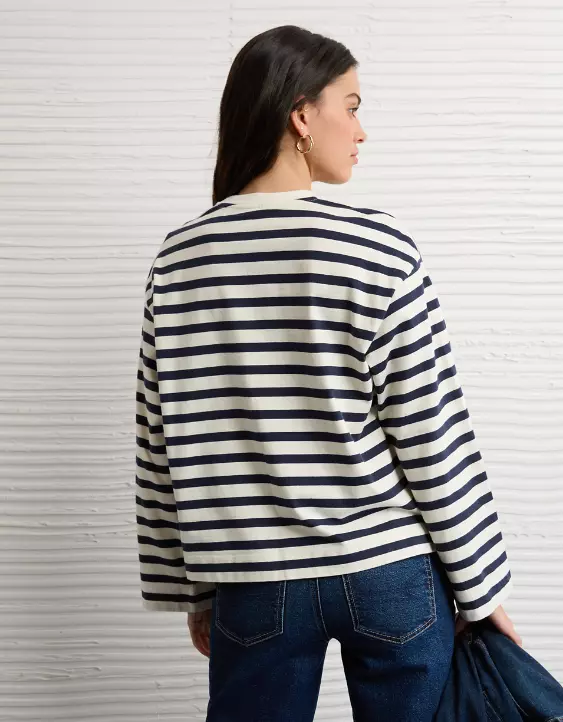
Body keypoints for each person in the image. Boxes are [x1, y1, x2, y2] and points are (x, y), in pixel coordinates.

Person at [135, 24, 522, 722]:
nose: (361, 130)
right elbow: (430, 432)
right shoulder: (378, 245)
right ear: (301, 115)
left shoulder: (179, 259)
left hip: (254, 582)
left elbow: (161, 440)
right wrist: (480, 588)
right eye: (351, 105)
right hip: (390, 572)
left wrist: (192, 589)